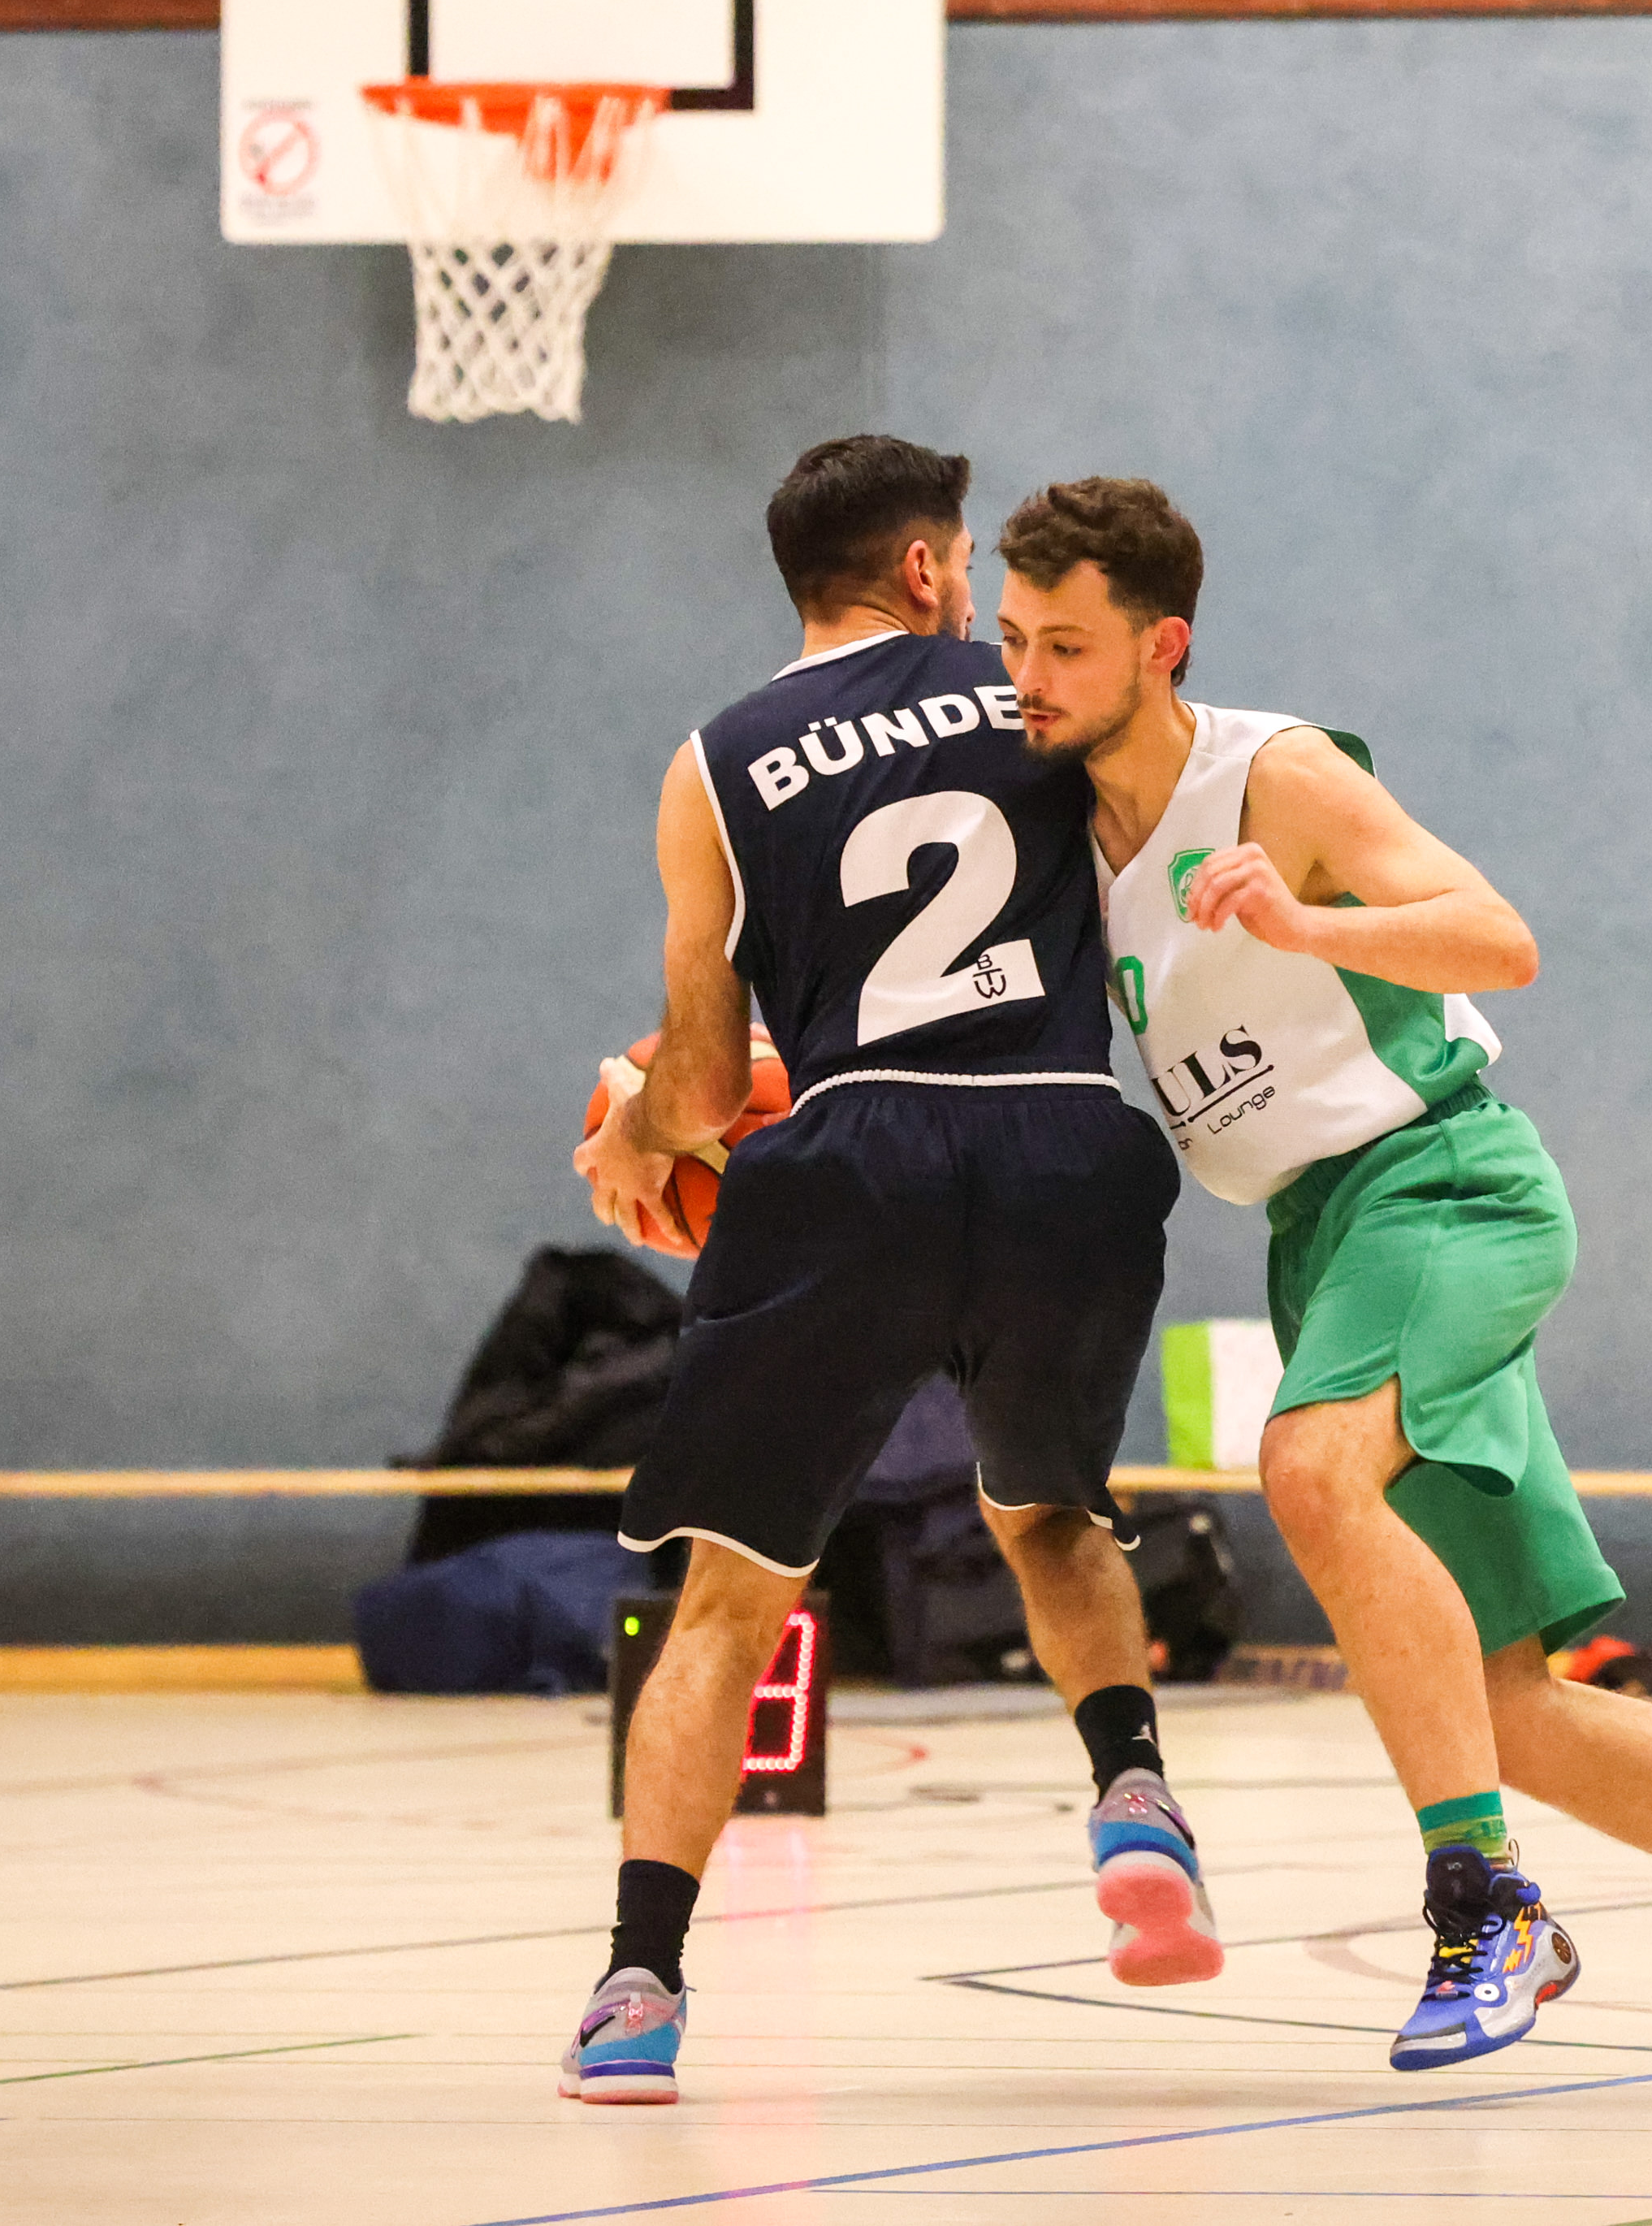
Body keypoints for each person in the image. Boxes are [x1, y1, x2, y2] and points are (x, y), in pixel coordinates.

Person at [994, 474, 1652, 2087]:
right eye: (1010, 638)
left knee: (1307, 1468)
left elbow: (1498, 936)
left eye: (1064, 644)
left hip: (1442, 1182)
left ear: (1160, 645)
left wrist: (1307, 922)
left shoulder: (1275, 773)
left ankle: (1485, 1905)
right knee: (1507, 1706)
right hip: (1325, 1235)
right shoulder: (1049, 823)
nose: (1026, 675)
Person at [561, 437, 1202, 2107]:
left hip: (852, 1160)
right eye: (972, 566)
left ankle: (639, 1987)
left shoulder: (711, 763)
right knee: (1045, 1512)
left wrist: (635, 1123)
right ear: (926, 569)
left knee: (730, 1598)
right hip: (1064, 1141)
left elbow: (710, 1084)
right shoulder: (1047, 696)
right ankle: (1133, 1789)